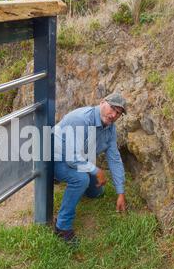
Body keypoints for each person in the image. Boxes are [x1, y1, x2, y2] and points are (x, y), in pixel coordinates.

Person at [53, 92, 127, 245]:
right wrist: (96, 171)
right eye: (112, 108)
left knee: (96, 192)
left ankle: (80, 185)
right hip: (54, 157)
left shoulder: (110, 128)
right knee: (81, 179)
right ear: (102, 103)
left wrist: (121, 192)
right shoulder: (81, 119)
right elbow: (71, 157)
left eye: (118, 113)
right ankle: (62, 226)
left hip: (79, 158)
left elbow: (114, 158)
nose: (113, 115)